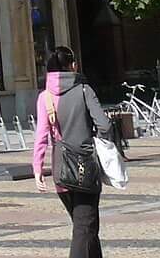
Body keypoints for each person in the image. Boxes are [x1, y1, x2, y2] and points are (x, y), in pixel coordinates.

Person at [31, 46, 114, 258]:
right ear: (73, 66)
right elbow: (104, 125)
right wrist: (103, 144)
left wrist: (38, 168)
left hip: (61, 170)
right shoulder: (84, 90)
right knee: (84, 228)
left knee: (85, 227)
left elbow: (41, 135)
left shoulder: (45, 97)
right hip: (84, 166)